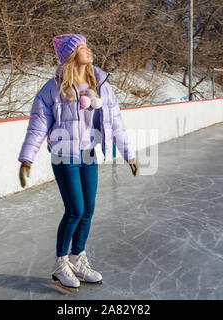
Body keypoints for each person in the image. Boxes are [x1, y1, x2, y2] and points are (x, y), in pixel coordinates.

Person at [17, 34, 139, 293]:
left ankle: (77, 258)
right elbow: (38, 125)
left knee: (88, 210)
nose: (88, 50)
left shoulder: (101, 85)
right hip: (64, 155)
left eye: (86, 46)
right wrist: (27, 157)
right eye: (82, 48)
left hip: (88, 154)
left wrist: (129, 153)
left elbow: (116, 121)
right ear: (71, 56)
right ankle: (60, 264)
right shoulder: (53, 88)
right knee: (75, 210)